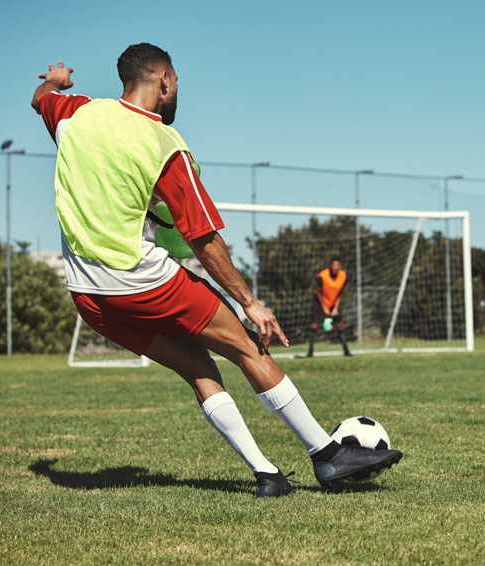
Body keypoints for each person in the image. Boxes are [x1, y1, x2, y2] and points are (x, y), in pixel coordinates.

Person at [31, 44, 401, 497]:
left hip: (89, 296)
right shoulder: (163, 144)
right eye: (177, 81)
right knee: (247, 347)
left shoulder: (76, 114)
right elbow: (203, 238)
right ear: (164, 79)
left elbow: (40, 98)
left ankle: (267, 475)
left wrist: (56, 79)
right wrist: (249, 303)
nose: (177, 90)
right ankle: (327, 455)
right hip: (143, 281)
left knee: (197, 366)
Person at [306, 258, 352, 358]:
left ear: (340, 266)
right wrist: (324, 308)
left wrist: (335, 308)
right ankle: (310, 352)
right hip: (319, 301)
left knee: (340, 325)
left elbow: (341, 293)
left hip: (333, 302)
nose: (335, 267)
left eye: (337, 265)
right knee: (315, 325)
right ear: (330, 266)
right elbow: (318, 292)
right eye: (333, 265)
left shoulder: (343, 276)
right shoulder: (323, 276)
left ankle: (346, 351)